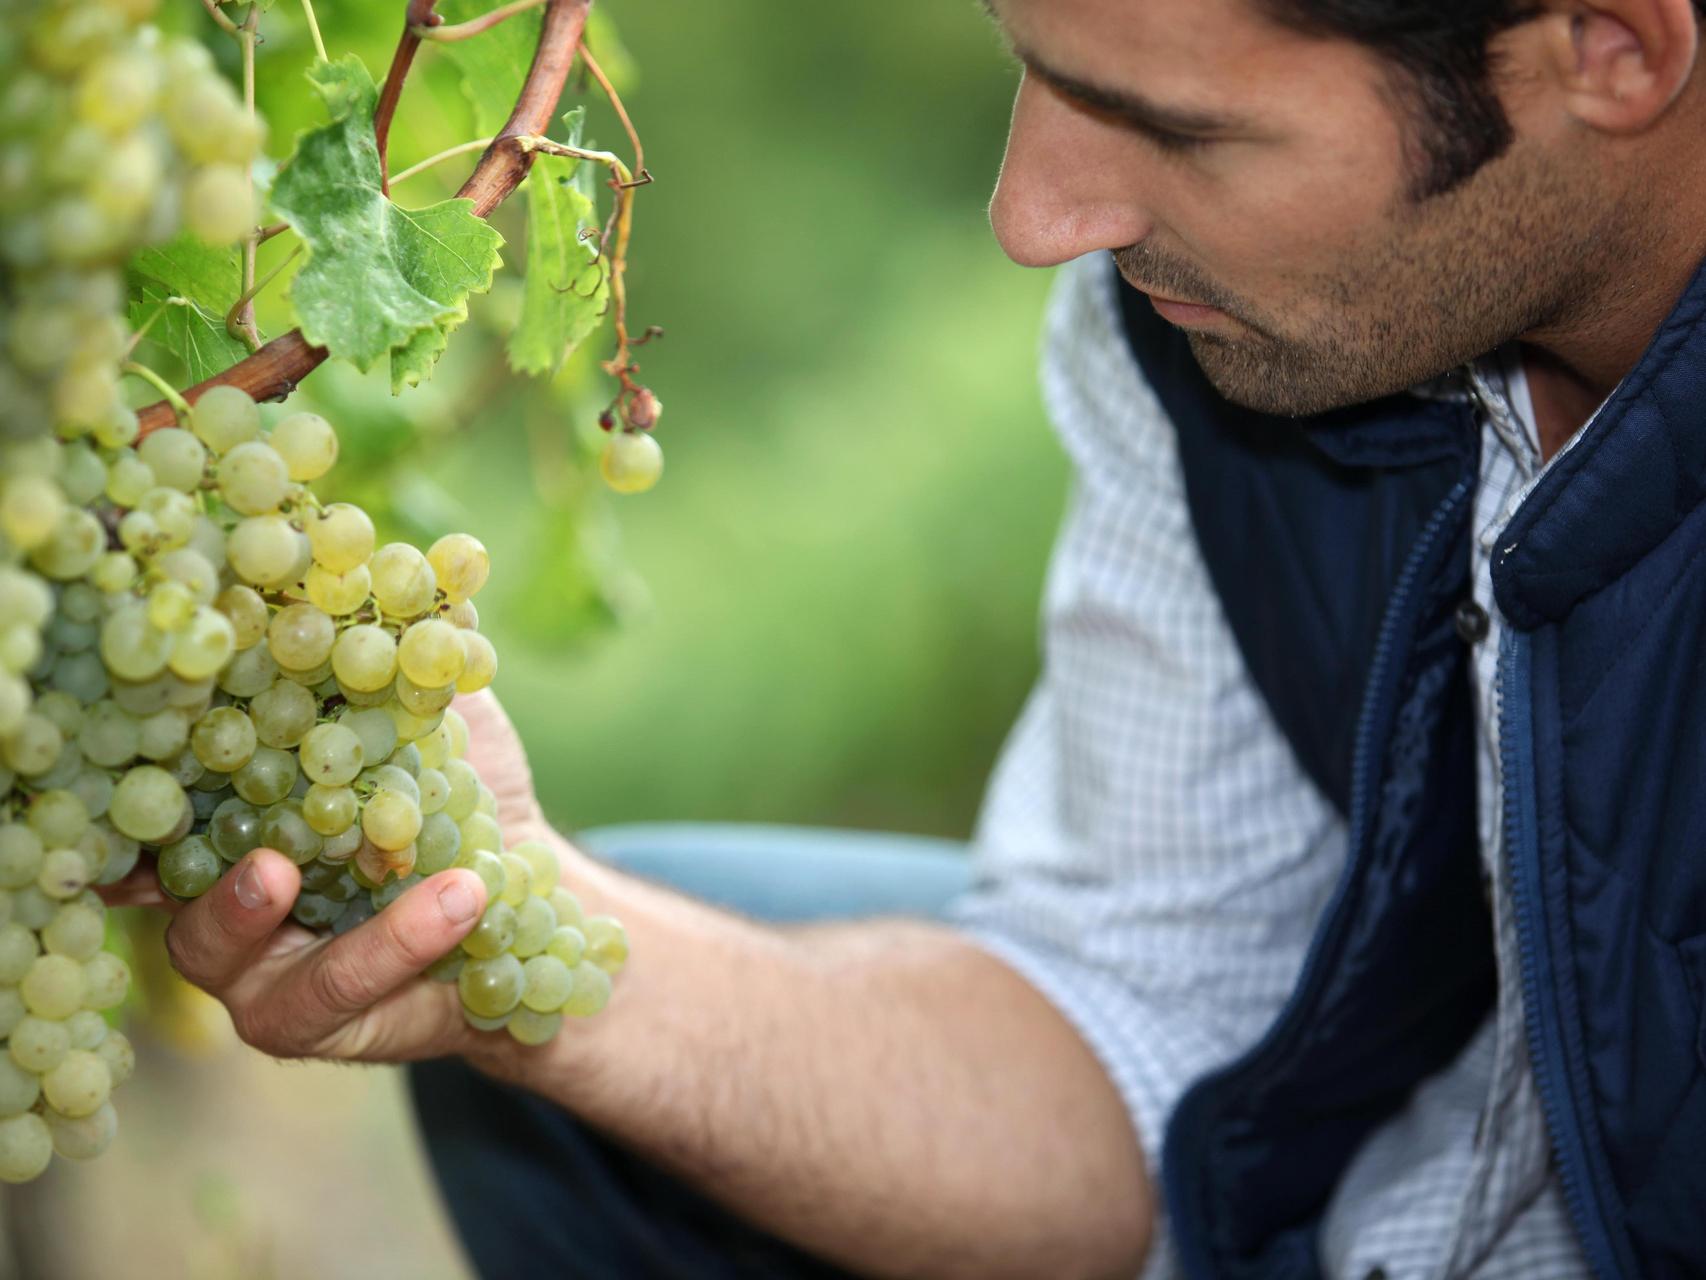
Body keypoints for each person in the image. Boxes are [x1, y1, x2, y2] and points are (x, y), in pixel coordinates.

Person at [117, 0, 1706, 1276]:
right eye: (1034, 67)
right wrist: (521, 938)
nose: (1037, 215)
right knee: (617, 1007)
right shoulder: (1210, 329)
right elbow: (1137, 1027)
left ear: (1613, 51)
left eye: (1175, 128)